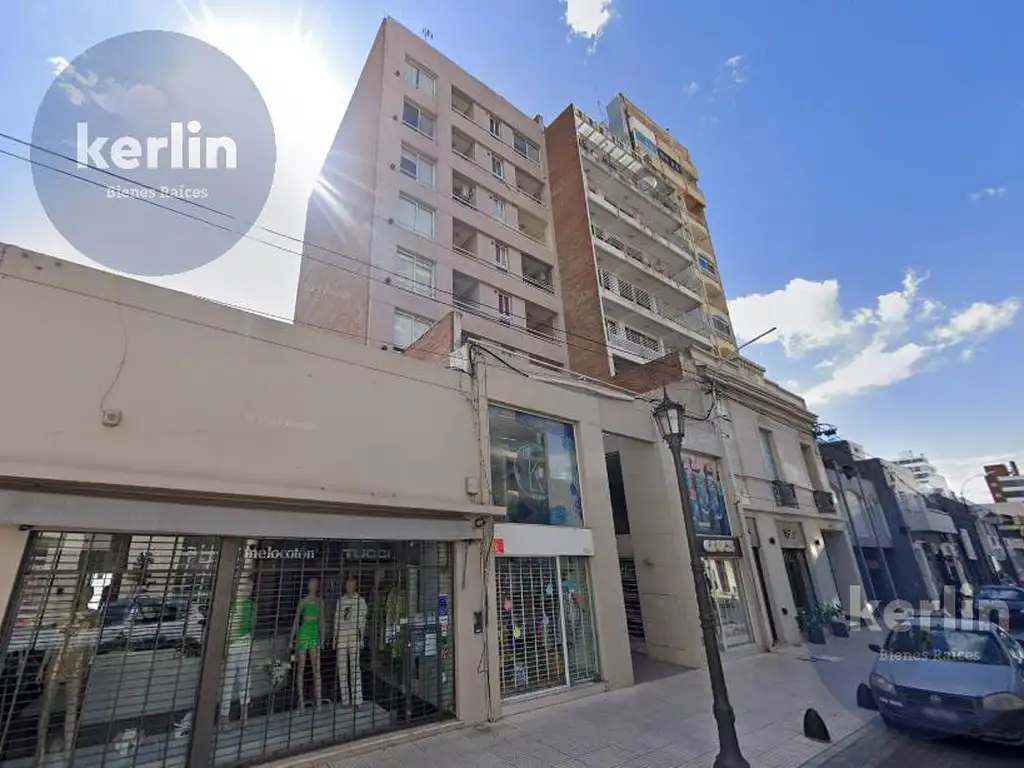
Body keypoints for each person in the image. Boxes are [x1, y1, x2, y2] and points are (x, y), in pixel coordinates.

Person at [220, 572, 256, 729]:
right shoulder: (231, 604)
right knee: (228, 682)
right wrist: (225, 648)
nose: (248, 589)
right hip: (232, 644)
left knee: (245, 680)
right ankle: (224, 719)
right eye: (245, 586)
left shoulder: (252, 605)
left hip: (245, 643)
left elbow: (253, 626)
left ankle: (244, 716)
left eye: (250, 587)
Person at [290, 577, 323, 709]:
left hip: (314, 634)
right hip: (304, 634)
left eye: (316, 584)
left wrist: (322, 636)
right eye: (311, 584)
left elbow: (322, 620)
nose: (313, 586)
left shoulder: (320, 601)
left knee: (317, 668)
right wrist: (291, 639)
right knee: (301, 668)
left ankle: (319, 699)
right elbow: (296, 620)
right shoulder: (303, 601)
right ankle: (301, 700)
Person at [334, 576, 368, 708]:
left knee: (355, 668)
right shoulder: (341, 601)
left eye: (351, 585)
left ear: (355, 586)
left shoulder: (361, 601)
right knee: (342, 669)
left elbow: (363, 621)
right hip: (342, 635)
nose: (348, 587)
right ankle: (345, 700)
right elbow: (337, 619)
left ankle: (357, 700)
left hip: (354, 634)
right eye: (347, 585)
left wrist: (361, 638)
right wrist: (335, 638)